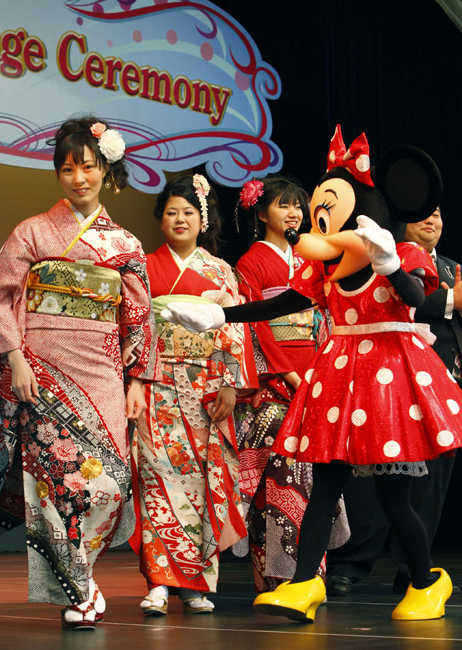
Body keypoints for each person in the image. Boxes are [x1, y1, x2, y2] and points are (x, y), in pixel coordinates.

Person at [161, 126, 462, 623]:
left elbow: (415, 299)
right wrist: (219, 316)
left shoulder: (401, 255)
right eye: (318, 216)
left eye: (329, 214)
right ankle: (304, 584)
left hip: (389, 379)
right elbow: (284, 303)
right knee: (324, 487)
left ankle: (429, 581)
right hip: (343, 380)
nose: (316, 224)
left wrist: (388, 264)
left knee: (395, 500)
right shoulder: (325, 272)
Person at [0, 117, 160, 630]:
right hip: (42, 366)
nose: (78, 177)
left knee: (109, 483)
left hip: (102, 367)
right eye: (67, 169)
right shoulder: (33, 231)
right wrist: (15, 358)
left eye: (87, 166)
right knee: (51, 484)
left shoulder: (124, 243)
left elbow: (139, 315)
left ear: (105, 169)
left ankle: (81, 574)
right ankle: (79, 591)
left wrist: (140, 380)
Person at [130, 174, 256, 616]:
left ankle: (197, 582)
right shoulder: (143, 266)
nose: (179, 219)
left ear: (203, 220)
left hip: (207, 389)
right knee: (156, 481)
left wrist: (230, 384)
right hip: (158, 384)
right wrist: (136, 381)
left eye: (188, 212)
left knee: (205, 482)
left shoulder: (221, 271)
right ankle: (160, 582)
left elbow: (235, 329)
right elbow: (136, 329)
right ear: (160, 221)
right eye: (171, 213)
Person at [326, 205, 462, 596]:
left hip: (441, 387)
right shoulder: (379, 254)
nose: (431, 220)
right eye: (423, 213)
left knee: (429, 482)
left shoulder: (452, 267)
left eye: (438, 214)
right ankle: (350, 563)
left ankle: (413, 568)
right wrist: (454, 299)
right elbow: (413, 298)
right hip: (387, 378)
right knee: (370, 473)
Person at [232, 176, 348, 592]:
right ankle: (275, 578)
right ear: (261, 213)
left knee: (315, 480)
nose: (295, 213)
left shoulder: (313, 260)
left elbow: (329, 316)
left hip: (317, 376)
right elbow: (256, 322)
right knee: (276, 481)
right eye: (284, 205)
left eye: (299, 205)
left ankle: (312, 575)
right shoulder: (251, 262)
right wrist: (287, 373)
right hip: (276, 385)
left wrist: (326, 371)